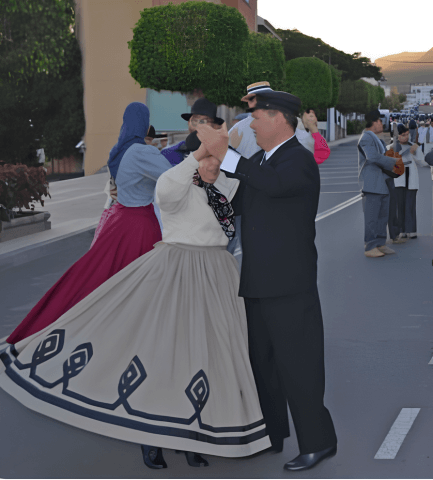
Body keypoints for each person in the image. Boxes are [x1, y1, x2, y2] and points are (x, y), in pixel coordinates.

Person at [0, 139, 271, 469]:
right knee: (161, 354)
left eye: (219, 161)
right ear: (195, 159)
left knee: (208, 355)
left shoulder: (225, 185)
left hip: (216, 275)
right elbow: (171, 186)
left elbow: (240, 174)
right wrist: (199, 155)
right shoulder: (174, 183)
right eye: (207, 159)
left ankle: (194, 437)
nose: (214, 165)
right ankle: (151, 441)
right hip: (177, 271)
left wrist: (225, 149)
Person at [195, 89, 338, 471]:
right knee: (262, 366)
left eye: (256, 118)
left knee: (299, 366)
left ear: (278, 119)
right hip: (257, 280)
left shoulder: (299, 161)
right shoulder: (259, 160)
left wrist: (227, 155)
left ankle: (318, 442)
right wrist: (209, 184)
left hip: (290, 284)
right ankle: (271, 437)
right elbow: (237, 205)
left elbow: (272, 185)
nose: (251, 125)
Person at [6, 103, 172, 344]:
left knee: (95, 277)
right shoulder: (142, 152)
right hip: (139, 225)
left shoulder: (119, 150)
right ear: (143, 124)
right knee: (139, 285)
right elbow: (173, 178)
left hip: (119, 220)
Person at [357, 110, 403, 258]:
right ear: (372, 122)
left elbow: (384, 153)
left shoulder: (377, 139)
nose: (381, 123)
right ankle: (370, 246)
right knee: (372, 217)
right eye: (378, 121)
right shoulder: (365, 138)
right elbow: (372, 157)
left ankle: (380, 244)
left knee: (383, 216)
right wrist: (392, 162)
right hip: (372, 183)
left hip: (382, 182)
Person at [387, 123, 430, 239]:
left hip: (411, 180)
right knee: (399, 206)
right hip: (398, 181)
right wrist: (406, 153)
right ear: (397, 136)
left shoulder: (413, 146)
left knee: (410, 205)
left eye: (407, 134)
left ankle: (411, 230)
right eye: (403, 135)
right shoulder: (390, 148)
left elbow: (422, 161)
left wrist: (422, 157)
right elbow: (388, 163)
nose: (406, 137)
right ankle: (401, 230)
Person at [160, 98, 224, 166]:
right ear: (188, 123)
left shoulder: (225, 157)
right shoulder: (168, 155)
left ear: (215, 126)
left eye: (205, 121)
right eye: (195, 120)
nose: (199, 126)